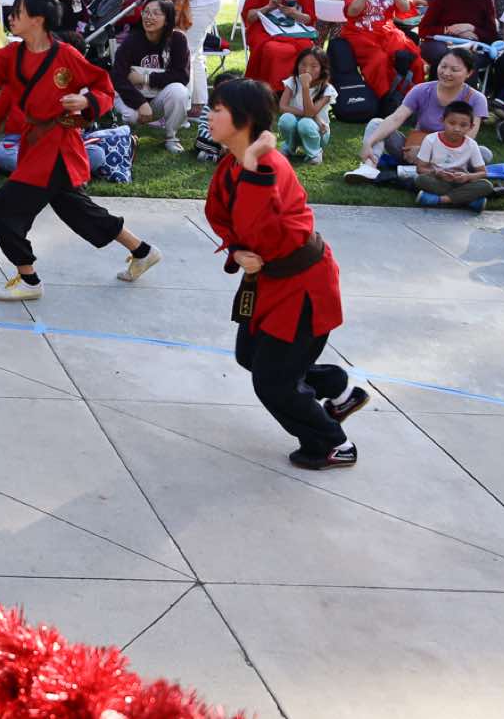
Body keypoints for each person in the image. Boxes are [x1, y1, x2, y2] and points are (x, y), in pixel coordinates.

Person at [0, 0, 162, 302]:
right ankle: (143, 251)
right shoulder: (13, 54)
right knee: (78, 210)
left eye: (18, 12)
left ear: (38, 20)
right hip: (36, 146)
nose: (11, 17)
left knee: (0, 209)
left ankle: (29, 280)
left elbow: (103, 87)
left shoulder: (66, 56)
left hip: (57, 148)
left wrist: (85, 101)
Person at [200, 78, 360, 471]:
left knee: (272, 382)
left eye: (217, 110)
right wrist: (236, 250)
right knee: (249, 355)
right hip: (268, 280)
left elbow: (258, 226)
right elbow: (220, 217)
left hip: (303, 285)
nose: (209, 116)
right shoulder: (231, 164)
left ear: (244, 118)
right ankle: (335, 387)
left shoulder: (269, 166)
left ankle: (333, 443)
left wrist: (253, 165)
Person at [343, 49, 486, 184]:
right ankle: (369, 168)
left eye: (454, 70)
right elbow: (396, 118)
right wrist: (369, 142)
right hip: (412, 151)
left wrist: (425, 151)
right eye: (443, 66)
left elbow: (468, 138)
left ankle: (419, 171)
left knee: (483, 153)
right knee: (376, 124)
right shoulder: (421, 90)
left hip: (449, 154)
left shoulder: (477, 99)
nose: (446, 73)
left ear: (469, 73)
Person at [335, 0, 424, 105]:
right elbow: (352, 12)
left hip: (388, 32)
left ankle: (416, 98)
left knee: (415, 58)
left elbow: (405, 9)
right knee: (379, 60)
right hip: (359, 33)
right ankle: (385, 100)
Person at [112, 0, 191, 153]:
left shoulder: (177, 40)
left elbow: (181, 76)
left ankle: (171, 137)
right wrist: (140, 103)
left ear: (167, 19)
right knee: (131, 116)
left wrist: (146, 78)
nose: (149, 17)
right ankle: (126, 134)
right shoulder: (132, 40)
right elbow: (118, 77)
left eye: (156, 13)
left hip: (157, 97)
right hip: (133, 96)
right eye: (146, 12)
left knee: (180, 91)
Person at [240, 0, 317, 86]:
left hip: (294, 29)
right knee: (276, 50)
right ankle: (273, 90)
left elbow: (309, 19)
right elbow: (249, 17)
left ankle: (300, 89)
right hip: (262, 29)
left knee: (306, 48)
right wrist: (268, 7)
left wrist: (293, 13)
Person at [412, 100, 497, 212]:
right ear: (442, 121)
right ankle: (468, 201)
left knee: (486, 185)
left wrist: (467, 177)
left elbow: (482, 172)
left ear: (471, 127)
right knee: (420, 179)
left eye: (463, 125)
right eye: (452, 123)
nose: (457, 129)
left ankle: (440, 200)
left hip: (461, 182)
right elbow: (420, 169)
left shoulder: (471, 144)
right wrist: (437, 172)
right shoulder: (431, 140)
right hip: (439, 180)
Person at [277, 47, 336, 163]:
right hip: (297, 128)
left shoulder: (327, 89)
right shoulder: (293, 81)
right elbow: (282, 107)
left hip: (318, 132)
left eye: (314, 66)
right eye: (303, 64)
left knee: (305, 123)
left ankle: (315, 153)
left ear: (322, 69)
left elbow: (309, 113)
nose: (307, 70)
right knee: (286, 119)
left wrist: (305, 87)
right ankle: (289, 146)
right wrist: (315, 117)